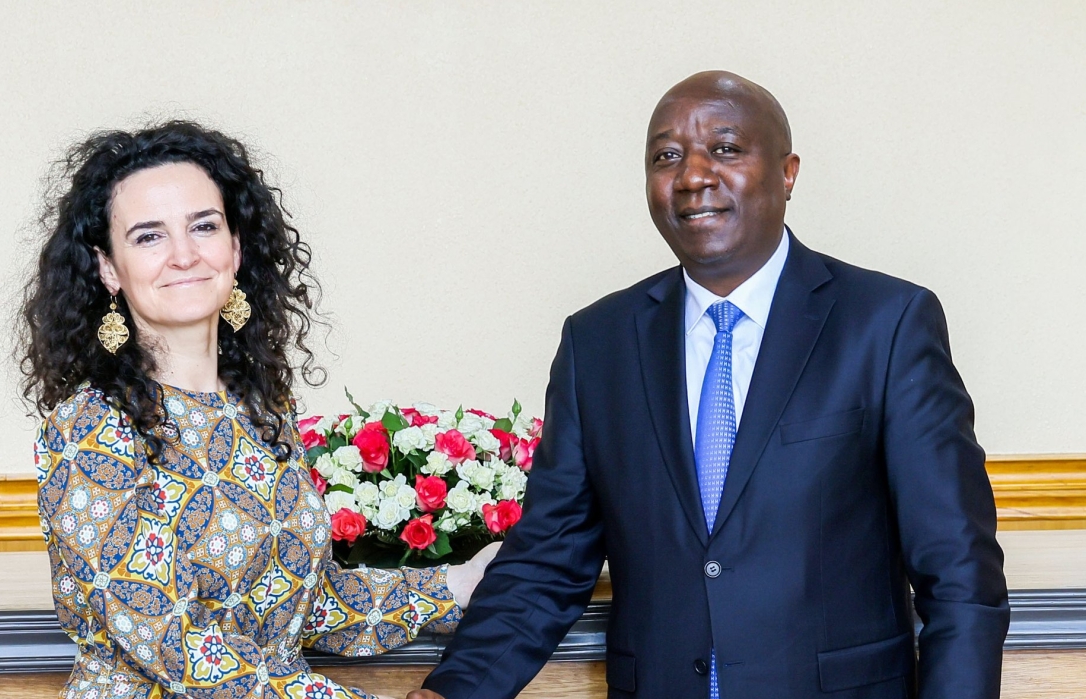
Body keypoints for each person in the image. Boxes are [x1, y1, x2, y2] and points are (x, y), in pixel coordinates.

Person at [407, 72, 1009, 699]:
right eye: (667, 156)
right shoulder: (598, 342)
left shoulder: (885, 324)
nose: (693, 176)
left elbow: (958, 571)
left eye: (725, 149)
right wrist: (453, 689)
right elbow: (548, 558)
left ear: (788, 172)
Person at [18, 121, 498, 699]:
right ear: (108, 268)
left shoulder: (261, 410)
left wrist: (458, 583)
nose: (184, 255)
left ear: (236, 247)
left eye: (204, 226)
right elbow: (175, 645)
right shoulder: (90, 427)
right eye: (149, 236)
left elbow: (305, 606)